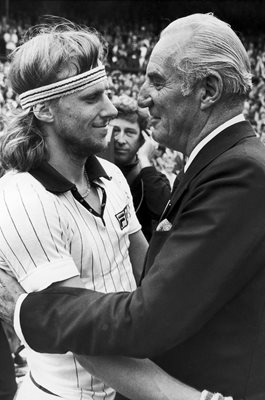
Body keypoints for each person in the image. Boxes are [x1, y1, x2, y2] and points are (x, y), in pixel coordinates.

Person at [0, 11, 261, 400]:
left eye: (156, 81)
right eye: (92, 97)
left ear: (208, 91)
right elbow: (83, 343)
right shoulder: (22, 197)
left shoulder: (115, 176)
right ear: (44, 109)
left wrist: (24, 310)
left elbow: (149, 291)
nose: (114, 108)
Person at [110, 94, 171, 240]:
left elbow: (165, 213)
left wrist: (144, 158)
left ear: (142, 140)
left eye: (129, 132)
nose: (120, 139)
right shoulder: (90, 169)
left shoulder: (150, 178)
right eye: (116, 130)